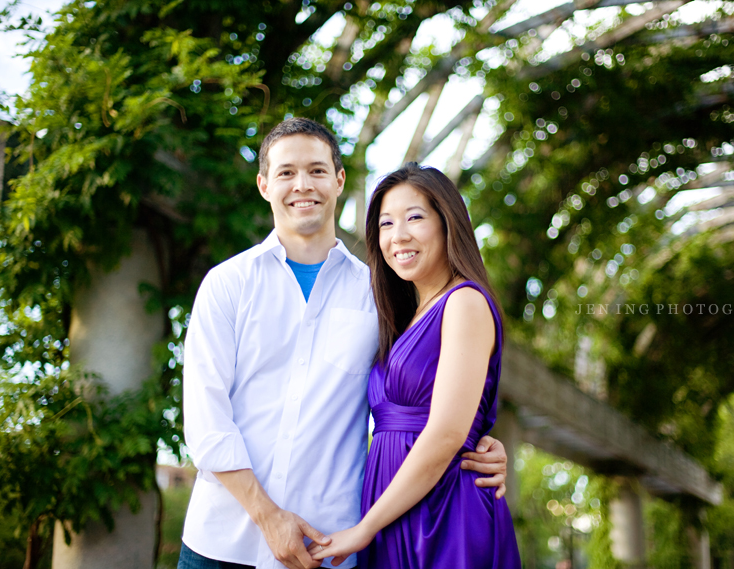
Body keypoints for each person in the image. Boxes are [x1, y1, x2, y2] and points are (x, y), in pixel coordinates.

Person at [178, 118, 509, 569]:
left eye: (316, 170)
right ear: (263, 185)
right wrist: (268, 516)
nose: (302, 185)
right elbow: (205, 418)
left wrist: (480, 444)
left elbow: (432, 390)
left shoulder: (380, 297)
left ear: (338, 181)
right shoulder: (227, 284)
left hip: (328, 543)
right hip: (221, 539)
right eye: (286, 173)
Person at [310, 163, 521, 568]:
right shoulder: (403, 316)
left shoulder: (463, 302)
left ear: (448, 223)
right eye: (386, 223)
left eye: (415, 218)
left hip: (444, 511)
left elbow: (445, 433)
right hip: (395, 510)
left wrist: (364, 527)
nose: (398, 235)